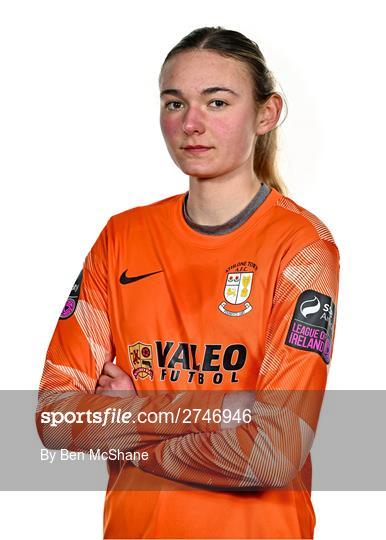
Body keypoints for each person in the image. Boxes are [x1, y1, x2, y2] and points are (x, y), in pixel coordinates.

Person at [36, 26, 340, 539]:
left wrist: (126, 416)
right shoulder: (122, 237)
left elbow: (271, 453)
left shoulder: (302, 247)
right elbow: (55, 419)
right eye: (174, 104)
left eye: (217, 102)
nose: (192, 123)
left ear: (266, 113)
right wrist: (224, 411)